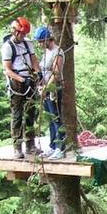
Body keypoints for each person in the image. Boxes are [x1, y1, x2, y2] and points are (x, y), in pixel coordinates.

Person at [2, 17, 41, 159]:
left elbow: (33, 59)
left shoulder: (27, 44)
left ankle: (30, 144)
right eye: (22, 34)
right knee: (17, 115)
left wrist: (38, 73)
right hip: (17, 82)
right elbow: (7, 69)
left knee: (31, 112)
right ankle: (17, 147)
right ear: (15, 32)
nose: (24, 36)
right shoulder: (7, 47)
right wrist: (22, 80)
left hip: (29, 79)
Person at [34, 26, 66, 160]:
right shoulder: (46, 52)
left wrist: (47, 88)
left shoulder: (57, 52)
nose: (40, 44)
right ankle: (53, 146)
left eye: (42, 41)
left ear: (48, 39)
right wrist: (40, 86)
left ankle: (60, 148)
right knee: (50, 118)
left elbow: (56, 73)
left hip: (54, 89)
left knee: (56, 118)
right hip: (45, 89)